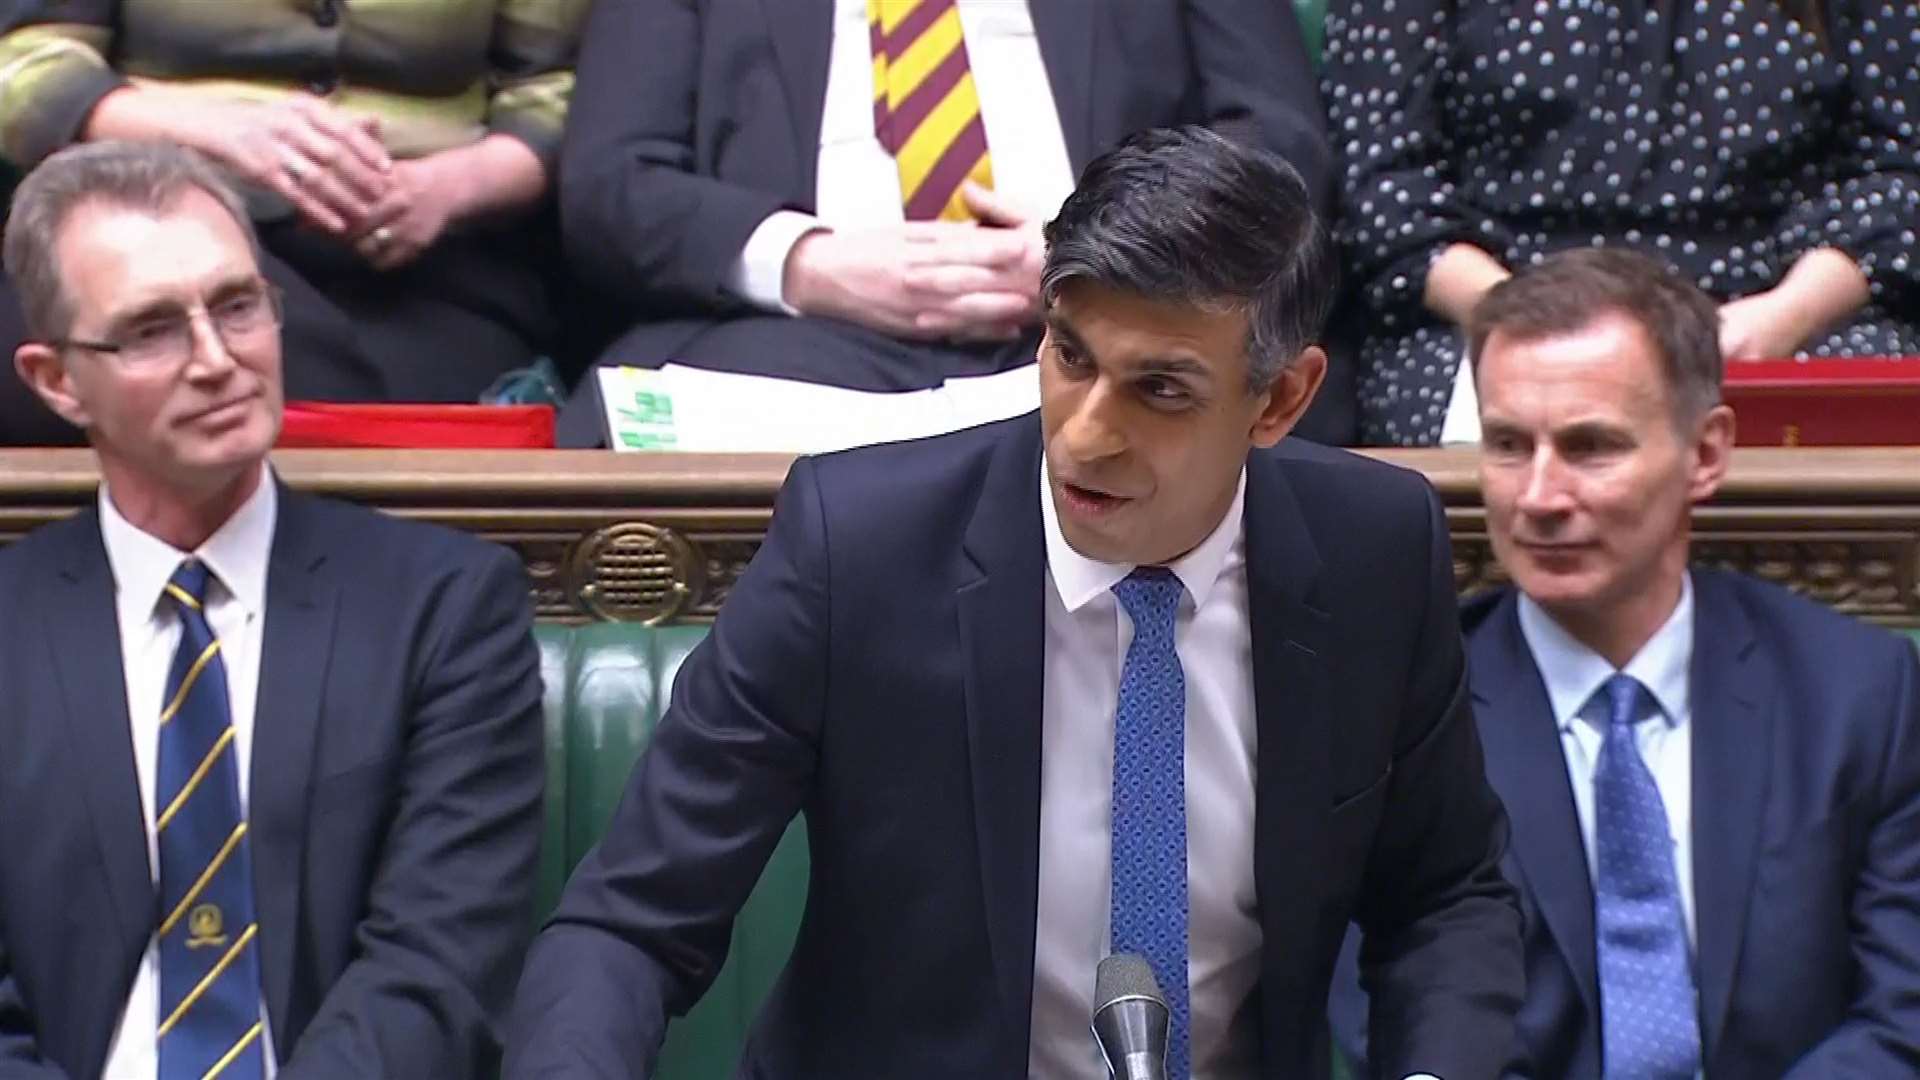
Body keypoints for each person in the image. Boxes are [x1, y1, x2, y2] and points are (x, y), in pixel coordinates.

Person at [508, 126, 1520, 1079]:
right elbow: (632, 923)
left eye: (1159, 391)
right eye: (1070, 355)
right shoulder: (858, 545)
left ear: (1283, 400)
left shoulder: (1372, 552)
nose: (1084, 436)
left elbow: (1444, 899)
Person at [0, 141, 545, 1077]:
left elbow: (433, 977)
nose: (218, 360)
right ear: (56, 381)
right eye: (152, 330)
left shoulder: (444, 608)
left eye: (238, 305)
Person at [1327, 248, 1920, 1076]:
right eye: (1507, 444)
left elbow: (1903, 1021)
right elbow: (1401, 1029)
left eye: (1589, 446)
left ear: (1705, 454)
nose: (1538, 496)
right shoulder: (1400, 714)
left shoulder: (1860, 695)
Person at [553, 0, 1340, 447]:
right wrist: (809, 264)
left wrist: (1110, 252)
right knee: (620, 428)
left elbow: (1280, 145)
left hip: (1121, 327)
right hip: (788, 338)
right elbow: (611, 178)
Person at [1322, 0, 1920, 445]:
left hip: (1774, 309)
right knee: (1461, 422)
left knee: (1868, 420)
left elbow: (1900, 168)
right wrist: (1527, 322)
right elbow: (1381, 186)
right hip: (1495, 302)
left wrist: (1786, 314)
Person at [0, 0, 589, 445]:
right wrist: (220, 133)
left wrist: (452, 187)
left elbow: (555, 89)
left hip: (429, 251)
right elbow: (23, 66)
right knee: (187, 380)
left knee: (442, 425)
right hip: (156, 234)